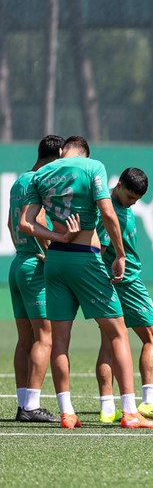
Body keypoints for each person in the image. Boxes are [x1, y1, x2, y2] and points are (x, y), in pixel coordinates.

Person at [19, 136, 153, 429]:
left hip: (55, 261)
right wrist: (120, 254)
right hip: (85, 258)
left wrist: (57, 237)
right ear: (85, 153)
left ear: (60, 151)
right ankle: (130, 412)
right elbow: (107, 213)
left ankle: (67, 413)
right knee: (118, 333)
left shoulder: (40, 174)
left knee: (60, 340)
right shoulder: (93, 166)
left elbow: (25, 224)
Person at [94, 168, 153, 425]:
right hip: (127, 281)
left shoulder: (109, 202)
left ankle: (107, 409)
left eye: (137, 199)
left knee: (110, 342)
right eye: (130, 197)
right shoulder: (111, 212)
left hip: (110, 282)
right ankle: (149, 402)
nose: (134, 203)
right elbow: (101, 248)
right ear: (118, 185)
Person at [8, 135, 64, 423]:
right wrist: (50, 249)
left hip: (18, 263)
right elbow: (37, 221)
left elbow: (10, 223)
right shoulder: (42, 180)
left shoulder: (20, 181)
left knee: (25, 340)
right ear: (56, 156)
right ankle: (31, 407)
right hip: (33, 268)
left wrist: (25, 249)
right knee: (45, 337)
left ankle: (23, 404)